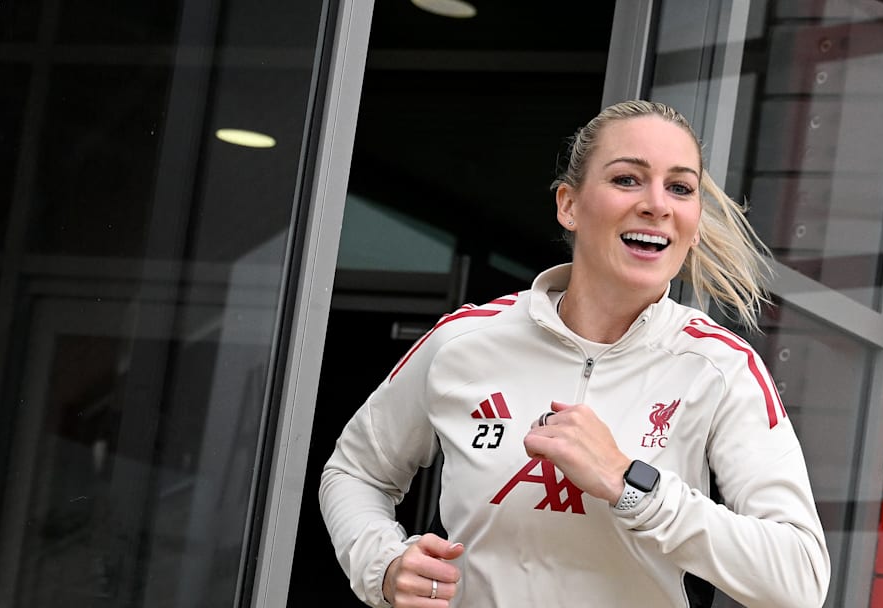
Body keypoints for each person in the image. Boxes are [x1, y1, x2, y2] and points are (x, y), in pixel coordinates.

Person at [319, 99, 830, 607]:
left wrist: (631, 485)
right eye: (627, 179)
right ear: (569, 205)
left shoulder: (721, 368)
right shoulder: (464, 341)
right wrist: (383, 565)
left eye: (680, 187)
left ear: (693, 224)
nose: (657, 204)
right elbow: (354, 472)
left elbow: (800, 579)